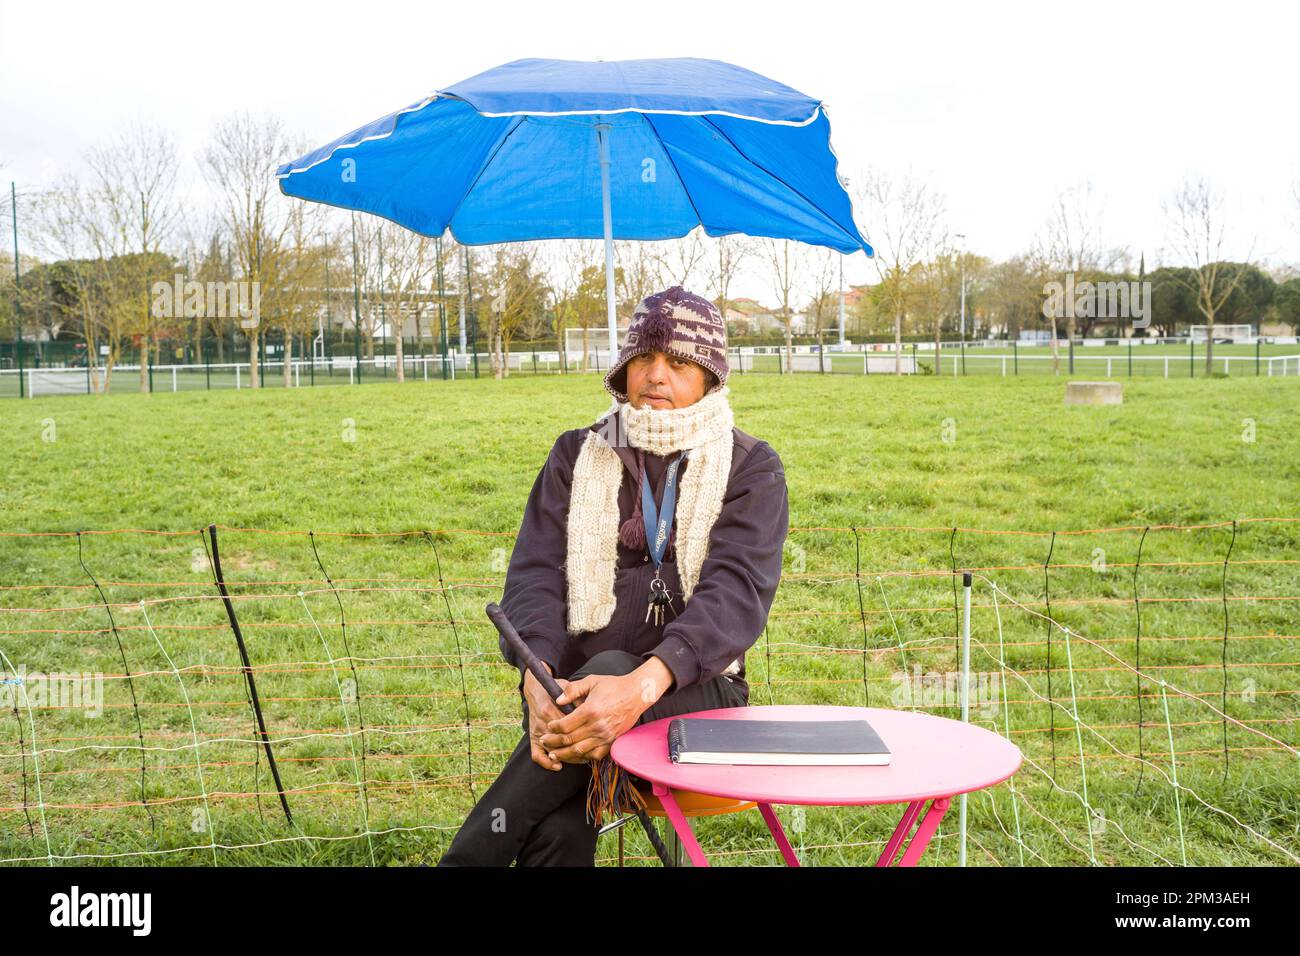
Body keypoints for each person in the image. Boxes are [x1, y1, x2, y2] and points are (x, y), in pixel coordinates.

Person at [438, 285, 789, 866]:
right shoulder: (575, 454)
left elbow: (737, 594)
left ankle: (465, 860)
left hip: (697, 695)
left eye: (678, 363)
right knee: (557, 831)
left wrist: (643, 685)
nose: (656, 376)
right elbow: (534, 574)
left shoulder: (750, 466)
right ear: (622, 370)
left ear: (709, 377)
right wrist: (536, 672)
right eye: (643, 360)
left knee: (605, 676)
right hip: (571, 693)